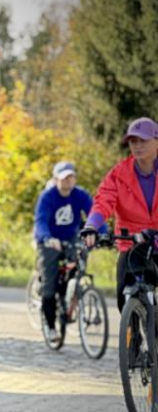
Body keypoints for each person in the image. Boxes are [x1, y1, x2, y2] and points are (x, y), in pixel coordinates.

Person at [82, 117, 158, 310]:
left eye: (143, 140)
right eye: (133, 142)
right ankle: (132, 332)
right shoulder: (119, 173)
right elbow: (103, 201)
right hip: (131, 242)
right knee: (122, 297)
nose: (138, 146)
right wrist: (92, 225)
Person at [33, 161, 93, 341]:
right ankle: (51, 327)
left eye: (71, 177)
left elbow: (93, 214)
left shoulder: (80, 195)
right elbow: (41, 220)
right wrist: (47, 238)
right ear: (56, 179)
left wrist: (101, 233)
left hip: (70, 237)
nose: (68, 181)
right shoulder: (48, 196)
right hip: (49, 239)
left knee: (80, 260)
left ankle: (69, 295)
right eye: (64, 178)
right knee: (50, 283)